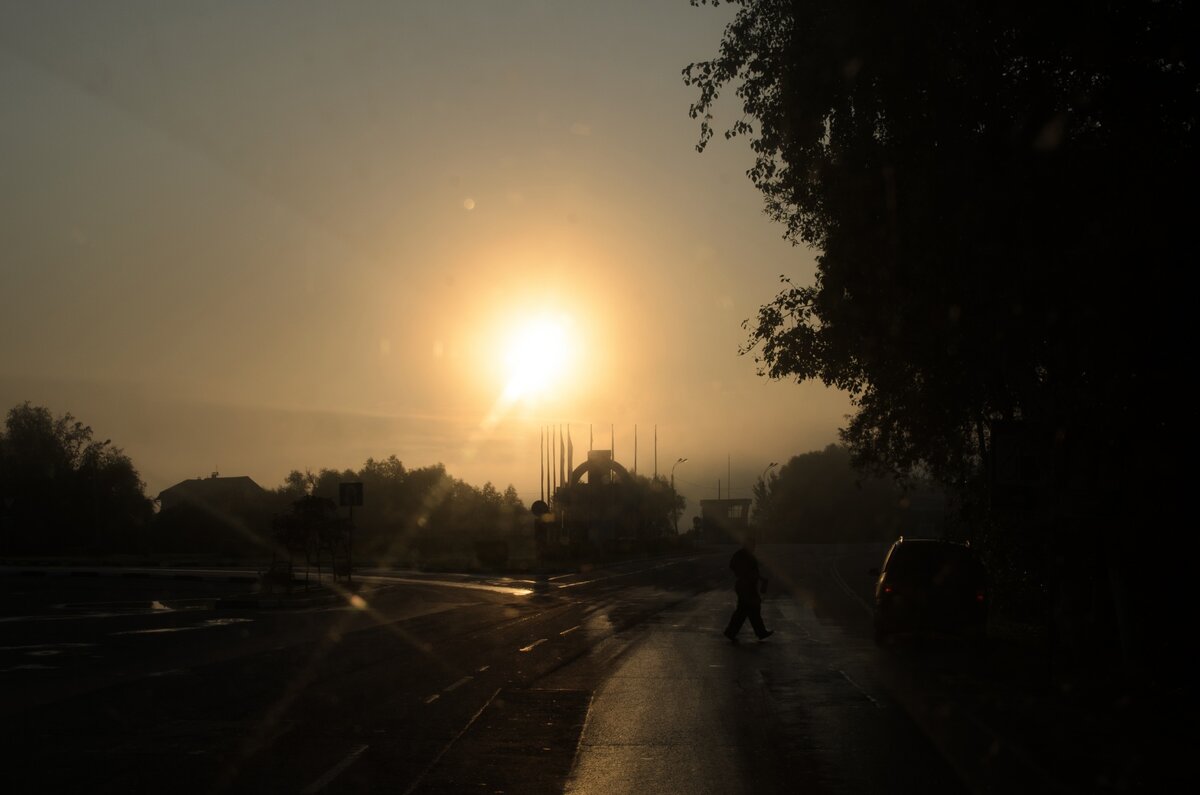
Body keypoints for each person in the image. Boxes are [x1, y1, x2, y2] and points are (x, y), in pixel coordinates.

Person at [723, 536, 773, 643]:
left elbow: (753, 572)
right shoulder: (742, 555)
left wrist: (761, 579)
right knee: (749, 610)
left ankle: (758, 632)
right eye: (752, 545)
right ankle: (759, 632)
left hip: (747, 586)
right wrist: (743, 573)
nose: (754, 547)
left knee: (747, 610)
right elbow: (733, 566)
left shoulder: (747, 555)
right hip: (745, 586)